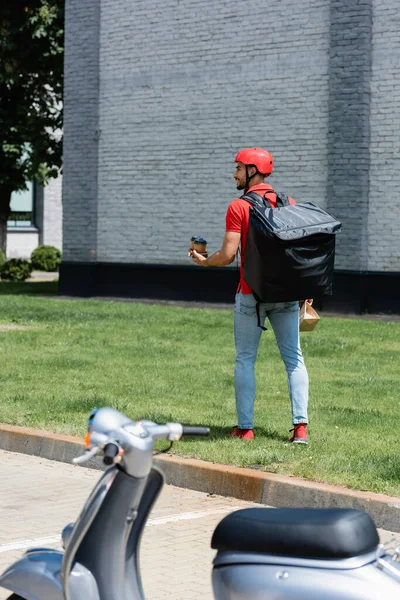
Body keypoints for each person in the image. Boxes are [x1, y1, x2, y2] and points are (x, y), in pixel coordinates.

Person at [189, 147, 309, 443]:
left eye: (239, 169)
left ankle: (245, 429)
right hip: (286, 294)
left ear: (253, 171)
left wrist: (206, 260)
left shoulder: (239, 207)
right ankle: (301, 429)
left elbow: (229, 254)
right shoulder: (288, 203)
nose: (235, 174)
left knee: (245, 359)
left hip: (250, 295)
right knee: (293, 359)